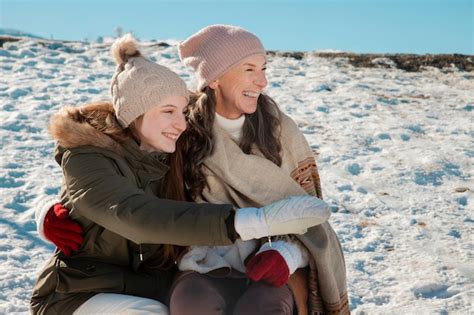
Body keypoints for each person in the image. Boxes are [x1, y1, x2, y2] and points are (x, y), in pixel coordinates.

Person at [30, 34, 332, 315]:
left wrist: (287, 252)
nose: (181, 123)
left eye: (181, 111)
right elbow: (128, 209)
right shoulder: (107, 152)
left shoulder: (173, 149)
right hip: (84, 290)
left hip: (149, 285)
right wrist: (51, 212)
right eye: (249, 68)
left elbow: (310, 213)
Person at [168, 24, 349, 315]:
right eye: (249, 69)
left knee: (262, 307)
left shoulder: (280, 131)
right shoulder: (182, 132)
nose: (262, 81)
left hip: (275, 261)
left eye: (264, 69)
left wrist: (286, 254)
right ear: (215, 79)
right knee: (192, 303)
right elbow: (140, 189)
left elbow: (313, 219)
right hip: (205, 262)